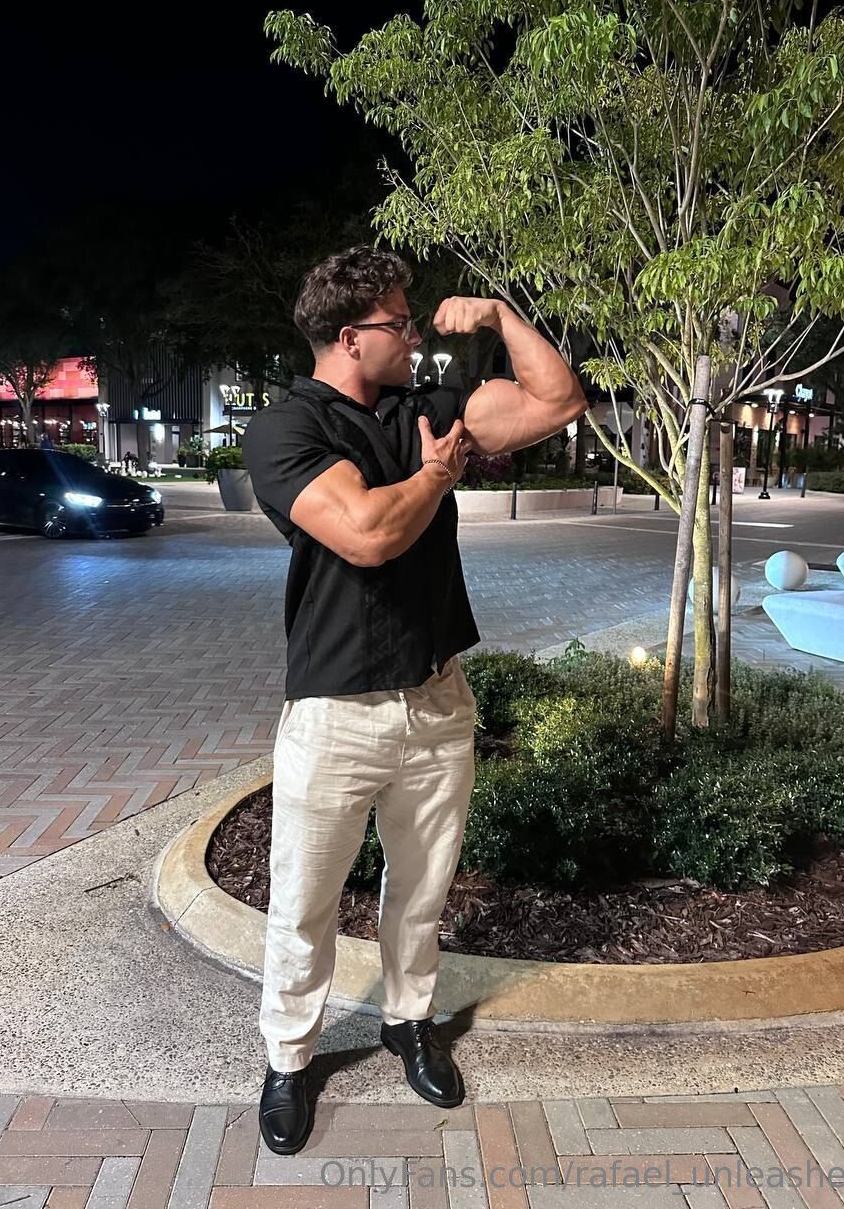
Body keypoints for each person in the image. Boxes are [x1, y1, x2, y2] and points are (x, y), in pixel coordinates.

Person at [243, 245, 587, 1155]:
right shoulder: (284, 430)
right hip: (336, 710)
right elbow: (365, 534)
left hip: (436, 699)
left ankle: (408, 1021)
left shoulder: (428, 409)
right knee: (304, 903)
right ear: (349, 337)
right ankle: (289, 1059)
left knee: (422, 891)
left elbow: (558, 402)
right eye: (397, 323)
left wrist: (504, 315)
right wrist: (436, 476)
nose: (413, 334)